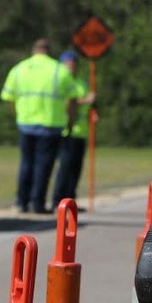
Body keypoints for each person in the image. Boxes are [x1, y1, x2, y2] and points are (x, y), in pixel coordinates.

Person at [0, 38, 77, 213]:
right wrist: (70, 122)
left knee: (26, 163)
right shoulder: (59, 70)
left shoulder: (19, 69)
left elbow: (8, 98)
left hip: (25, 123)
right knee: (44, 165)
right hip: (50, 124)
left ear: (34, 50)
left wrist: (17, 116)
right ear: (49, 51)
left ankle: (21, 201)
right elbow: (72, 100)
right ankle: (37, 202)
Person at [51, 50, 95, 206]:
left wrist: (92, 110)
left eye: (74, 63)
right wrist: (85, 100)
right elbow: (68, 102)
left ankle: (71, 201)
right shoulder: (62, 81)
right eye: (68, 63)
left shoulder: (81, 83)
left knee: (76, 168)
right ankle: (58, 200)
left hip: (81, 131)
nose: (71, 66)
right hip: (67, 130)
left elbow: (87, 103)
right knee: (65, 168)